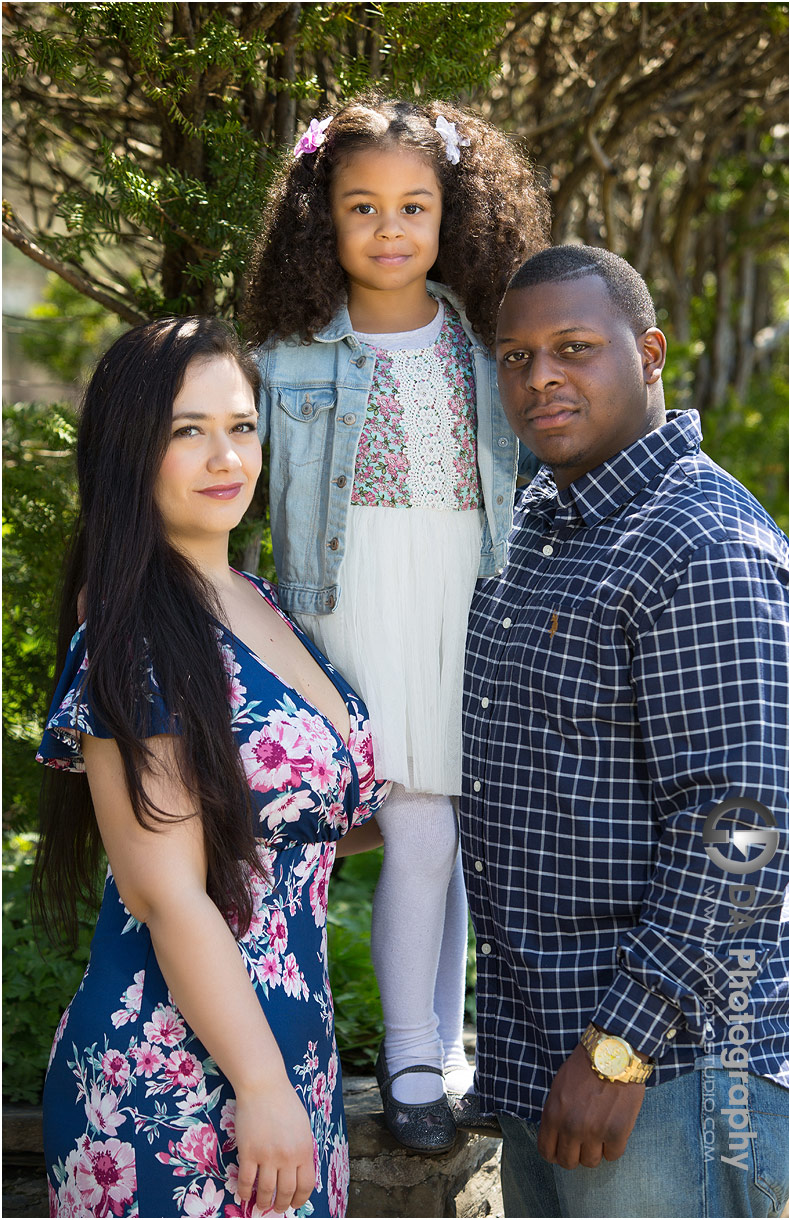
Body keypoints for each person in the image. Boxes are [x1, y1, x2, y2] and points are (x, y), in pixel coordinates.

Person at [459, 245, 789, 1217]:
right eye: (517, 356)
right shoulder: (538, 520)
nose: (542, 377)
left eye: (575, 347)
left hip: (674, 1077)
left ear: (649, 352)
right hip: (553, 1058)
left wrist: (620, 1044)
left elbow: (737, 831)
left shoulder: (702, 545)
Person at [242, 95, 548, 1151]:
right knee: (417, 827)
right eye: (362, 205)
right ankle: (412, 1058)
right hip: (356, 598)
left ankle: (449, 1048)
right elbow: (239, 493)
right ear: (321, 217)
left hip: (467, 592)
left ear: (450, 215)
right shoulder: (286, 356)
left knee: (453, 836)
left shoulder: (483, 343)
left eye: (414, 206)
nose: (389, 229)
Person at [32, 317, 390, 1219]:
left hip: (291, 1056)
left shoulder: (254, 597)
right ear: (130, 453)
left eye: (240, 425)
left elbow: (285, 831)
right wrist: (262, 1089)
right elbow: (168, 893)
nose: (224, 455)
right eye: (186, 431)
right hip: (172, 1075)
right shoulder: (133, 631)